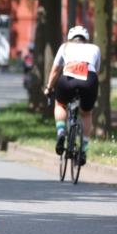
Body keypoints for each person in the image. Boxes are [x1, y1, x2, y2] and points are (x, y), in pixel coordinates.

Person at [45, 26, 101, 165]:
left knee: (60, 104)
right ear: (86, 39)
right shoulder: (95, 48)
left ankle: (61, 131)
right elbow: (96, 70)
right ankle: (84, 148)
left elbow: (56, 69)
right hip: (89, 80)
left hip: (67, 80)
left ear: (70, 38)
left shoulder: (65, 47)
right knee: (86, 113)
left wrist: (49, 87)